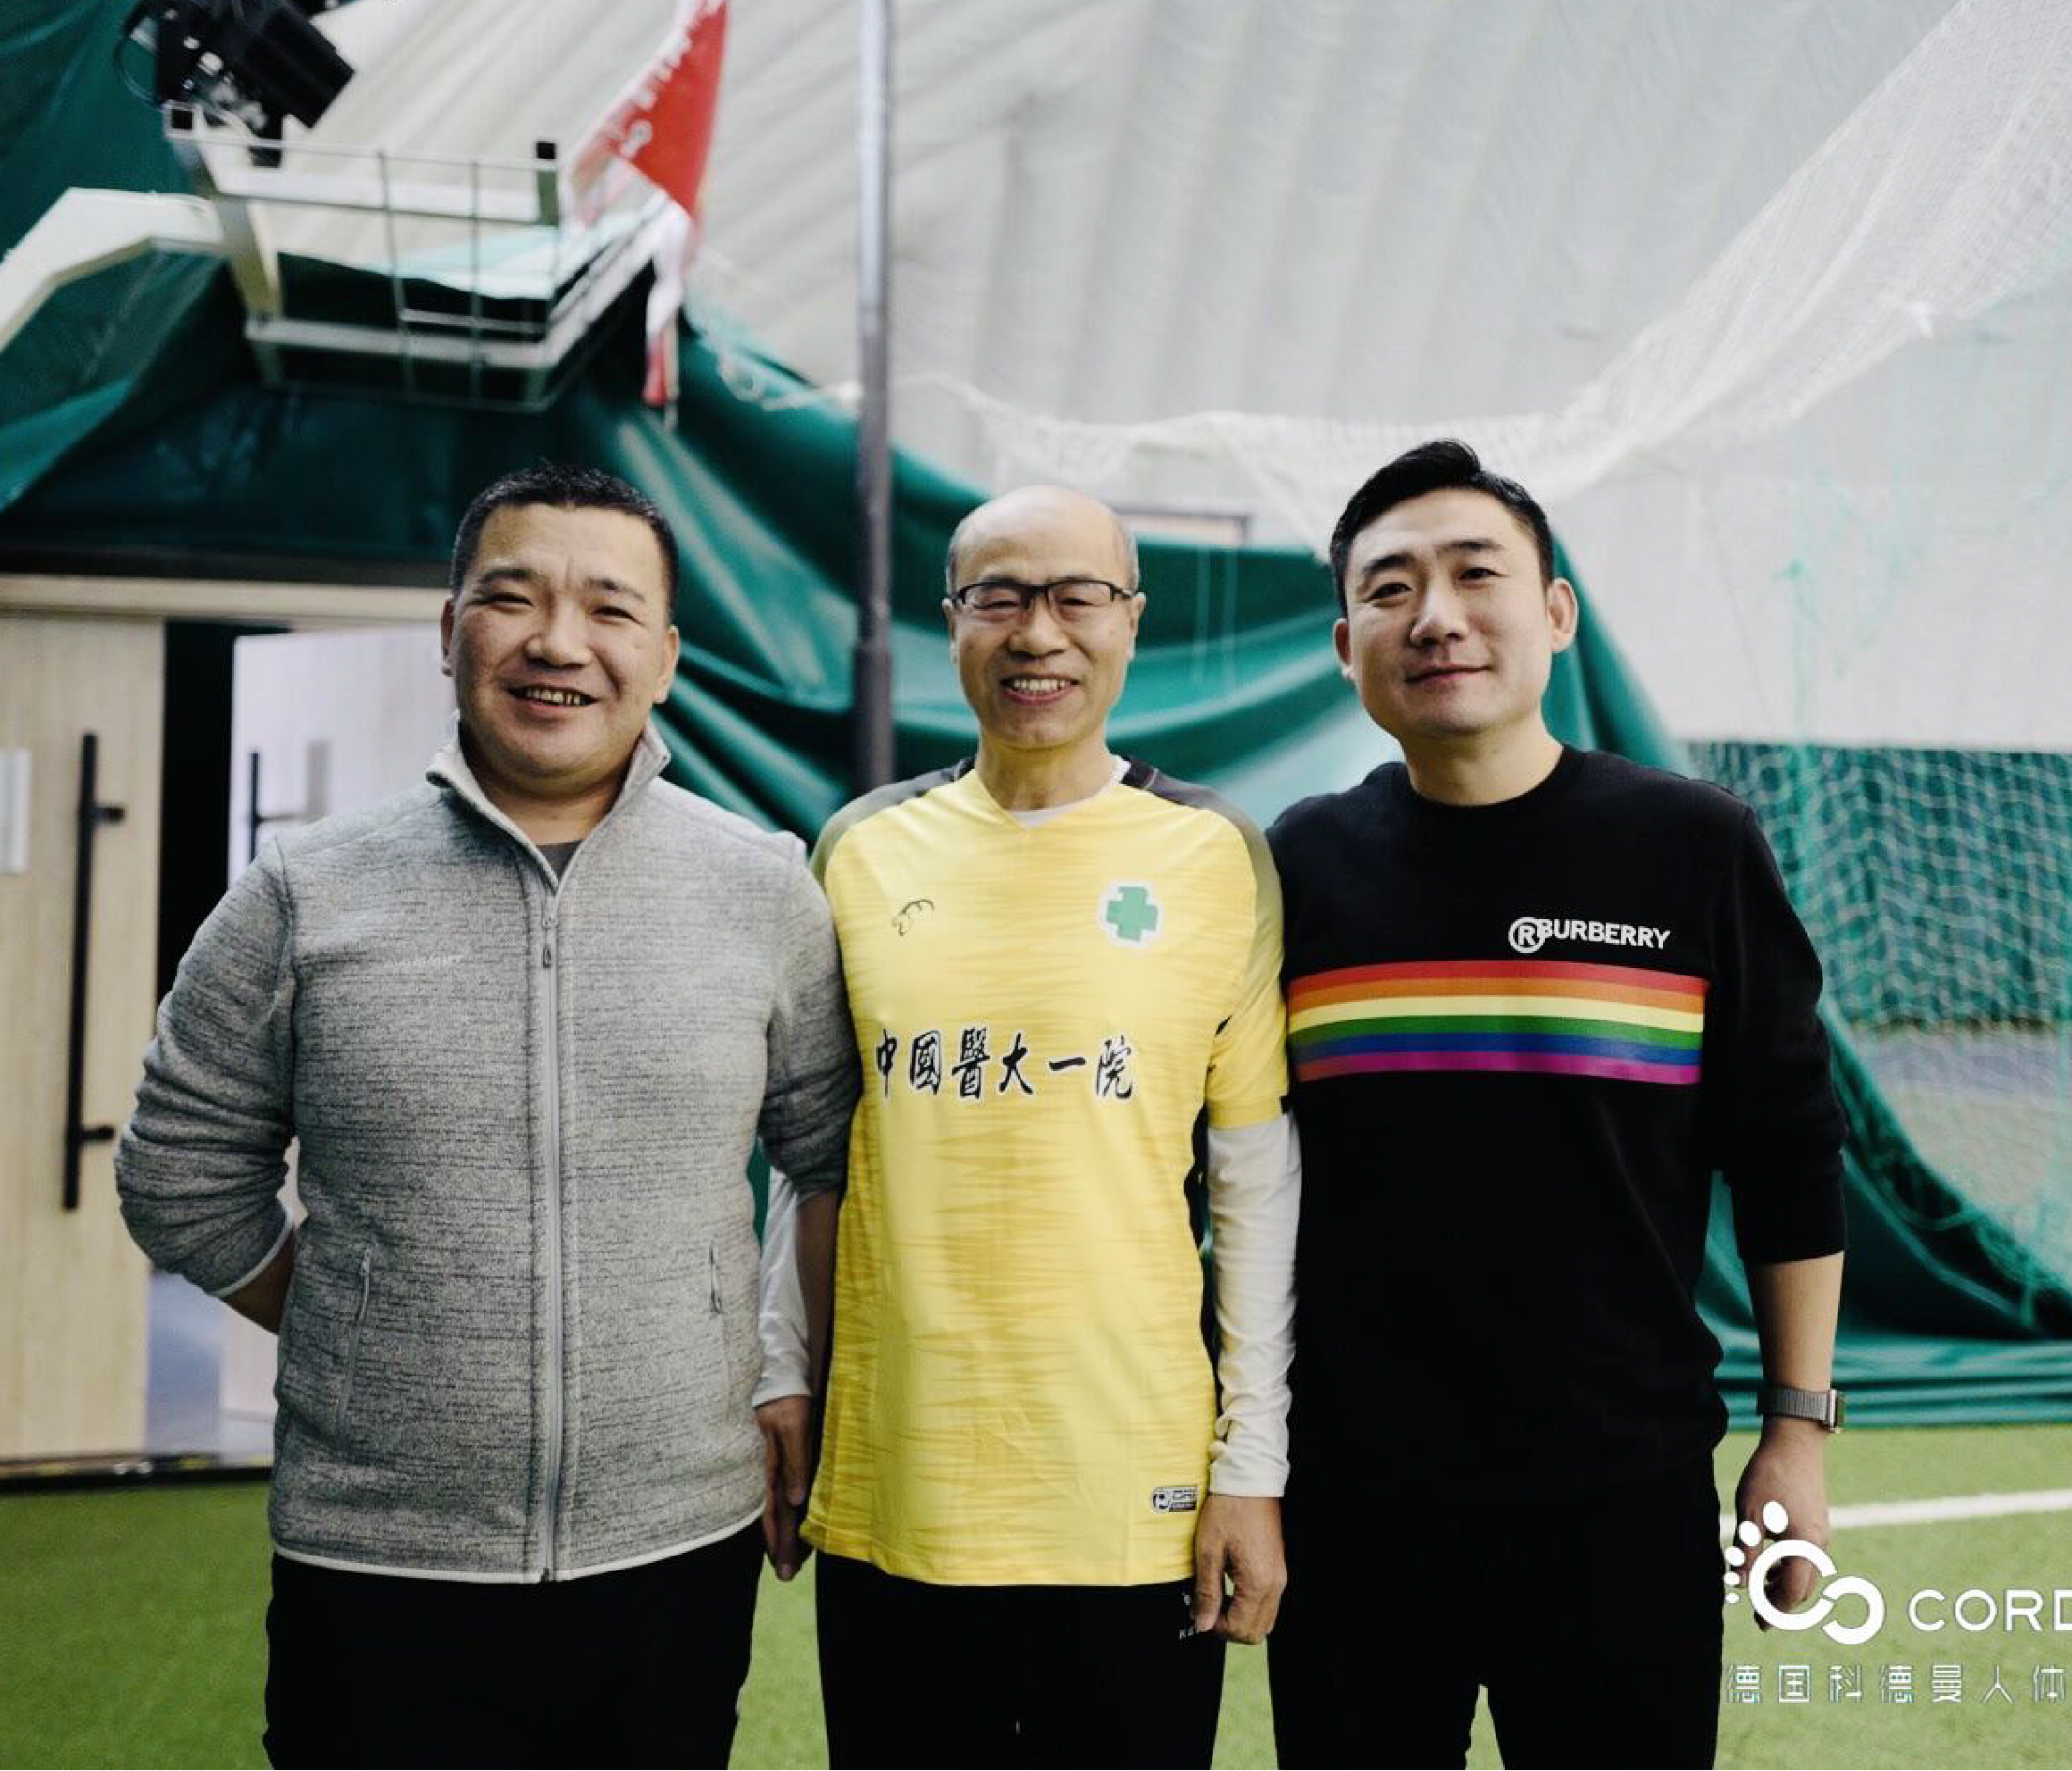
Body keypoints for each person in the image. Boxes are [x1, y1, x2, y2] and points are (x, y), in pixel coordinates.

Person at [114, 461, 857, 1768]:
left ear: (667, 658)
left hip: (678, 1545)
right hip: (376, 1556)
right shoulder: (304, 891)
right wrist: (358, 1319)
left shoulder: (760, 889)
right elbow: (178, 1172)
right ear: (450, 631)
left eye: (611, 609)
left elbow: (831, 1155)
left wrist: (789, 1369)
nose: (560, 642)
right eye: (513, 599)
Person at [1262, 441, 1849, 1769]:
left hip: (1621, 1493)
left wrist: (1795, 1437)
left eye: (1477, 575)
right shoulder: (1300, 864)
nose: (1437, 617)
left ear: (1557, 613)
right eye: (1391, 588)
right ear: (1346, 645)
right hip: (1355, 1504)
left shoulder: (1692, 845)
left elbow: (1790, 1157)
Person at [790, 485, 1300, 1768]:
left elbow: (1254, 1184)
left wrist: (1252, 1464)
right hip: (899, 1473)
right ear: (950, 620)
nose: (1039, 633)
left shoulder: (1214, 852)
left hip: (1132, 1486)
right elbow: (812, 1156)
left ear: (1132, 620)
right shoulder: (861, 850)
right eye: (1001, 597)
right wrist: (780, 1377)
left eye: (1079, 597)